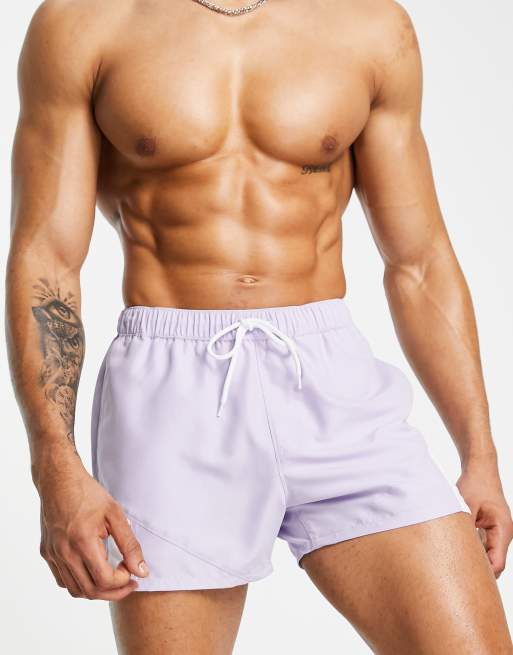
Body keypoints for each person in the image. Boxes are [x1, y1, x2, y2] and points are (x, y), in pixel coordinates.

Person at [6, 0, 513, 653]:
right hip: (170, 395)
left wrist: (479, 454)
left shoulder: (368, 25)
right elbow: (46, 257)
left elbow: (418, 262)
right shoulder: (86, 22)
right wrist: (55, 463)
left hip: (330, 381)